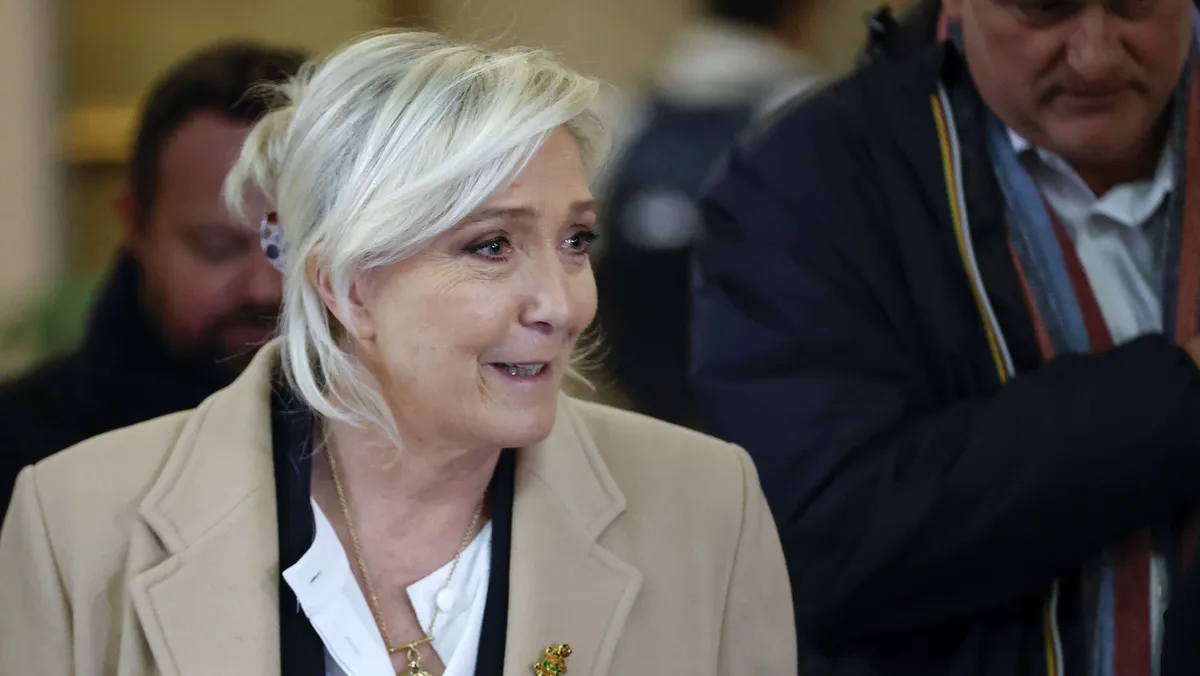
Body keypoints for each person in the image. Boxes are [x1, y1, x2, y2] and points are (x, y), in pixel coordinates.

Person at [0, 31, 795, 676]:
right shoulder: (78, 522)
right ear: (347, 286)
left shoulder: (707, 508)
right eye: (492, 246)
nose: (563, 305)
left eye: (575, 240)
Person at [692, 0, 1200, 674]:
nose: (1096, 55)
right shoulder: (810, 179)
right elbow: (823, 546)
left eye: (1134, 2)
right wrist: (1179, 392)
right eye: (1044, 8)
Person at [0, 42, 306, 515]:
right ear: (135, 226)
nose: (264, 288)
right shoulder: (20, 452)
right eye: (216, 247)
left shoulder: (406, 444)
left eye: (295, 246)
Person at [593, 0, 823, 427]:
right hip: (753, 361)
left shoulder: (634, 108)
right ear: (801, 12)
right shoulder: (808, 107)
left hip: (635, 361)